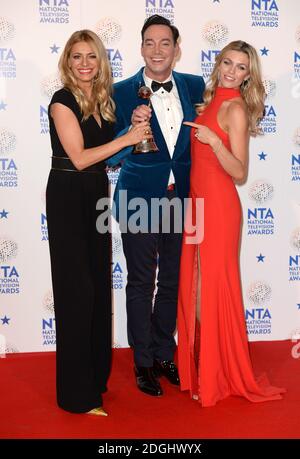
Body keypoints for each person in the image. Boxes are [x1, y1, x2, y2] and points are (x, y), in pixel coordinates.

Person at [46, 29, 150, 415]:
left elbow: (107, 160)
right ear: (68, 61)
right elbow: (79, 157)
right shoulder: (62, 101)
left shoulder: (102, 99)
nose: (85, 63)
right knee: (77, 293)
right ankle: (76, 395)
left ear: (100, 61)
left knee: (97, 288)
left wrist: (132, 131)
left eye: (91, 56)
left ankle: (94, 379)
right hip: (68, 195)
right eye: (77, 56)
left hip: (95, 194)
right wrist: (125, 140)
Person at [177, 40, 286, 406]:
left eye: (241, 67)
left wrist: (213, 142)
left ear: (248, 75)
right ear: (218, 63)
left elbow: (239, 172)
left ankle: (216, 375)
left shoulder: (236, 109)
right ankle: (205, 370)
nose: (232, 71)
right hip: (197, 205)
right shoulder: (210, 102)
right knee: (194, 289)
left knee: (211, 290)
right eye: (227, 62)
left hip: (220, 208)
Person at [106, 15, 205, 397]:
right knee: (141, 282)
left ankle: (165, 354)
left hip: (181, 198)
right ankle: (143, 361)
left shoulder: (196, 86)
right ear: (141, 47)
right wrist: (130, 132)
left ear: (176, 48)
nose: (158, 50)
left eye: (165, 43)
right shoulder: (120, 91)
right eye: (150, 42)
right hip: (137, 201)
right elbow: (111, 157)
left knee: (172, 283)